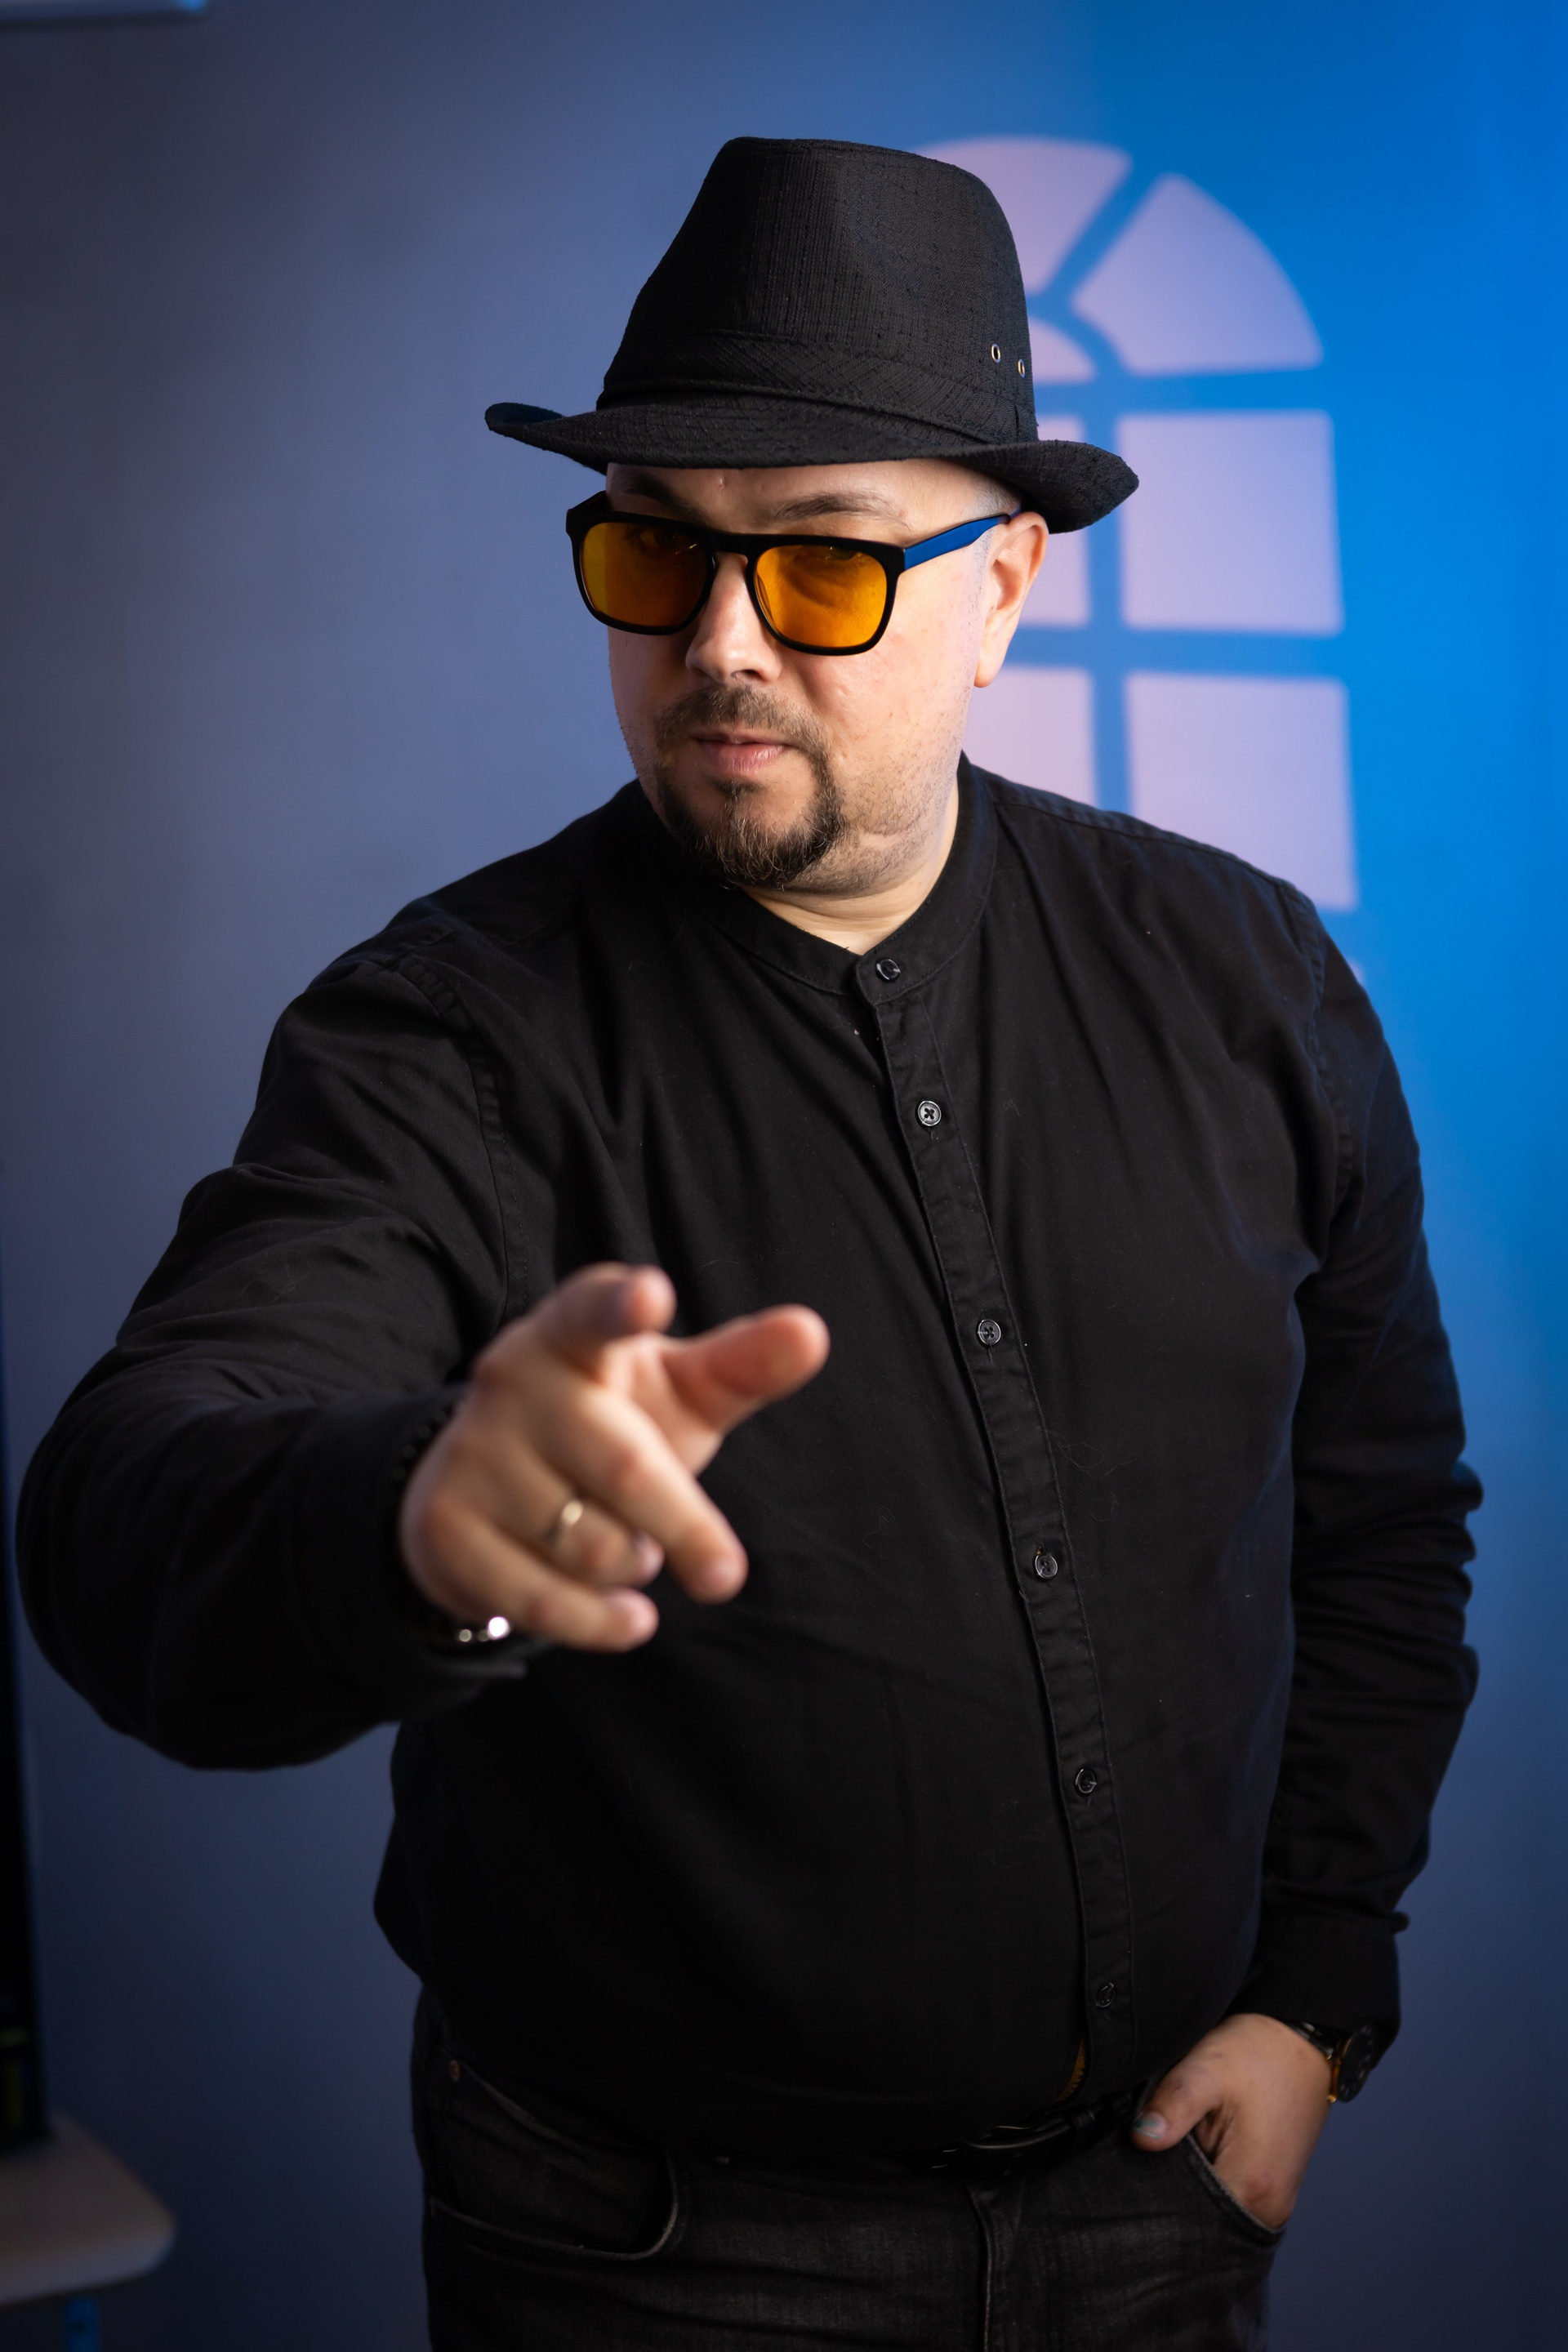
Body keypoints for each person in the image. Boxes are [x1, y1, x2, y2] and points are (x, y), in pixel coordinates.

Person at [19, 138, 1480, 2350]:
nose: (717, 646)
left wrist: (1321, 1994)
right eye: (654, 550)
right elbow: (127, 1511)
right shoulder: (445, 1036)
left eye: (821, 567)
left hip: (1167, 2215)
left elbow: (1381, 1524)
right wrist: (413, 1523)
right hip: (658, 2264)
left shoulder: (1249, 979)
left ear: (1004, 591)